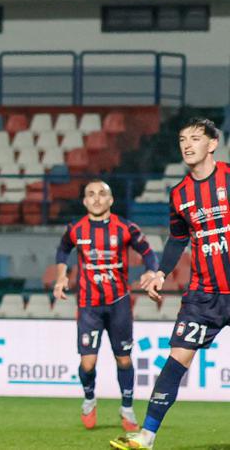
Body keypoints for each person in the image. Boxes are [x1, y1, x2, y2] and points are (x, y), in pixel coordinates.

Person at [112, 117, 230, 450]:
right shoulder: (179, 194)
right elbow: (178, 239)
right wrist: (161, 272)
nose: (187, 144)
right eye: (182, 139)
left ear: (212, 144)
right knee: (178, 358)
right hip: (204, 296)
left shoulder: (228, 177)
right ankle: (146, 436)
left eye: (195, 138)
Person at [52, 179, 157, 431]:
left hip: (119, 303)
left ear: (111, 200)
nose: (96, 198)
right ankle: (89, 400)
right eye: (91, 194)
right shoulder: (76, 229)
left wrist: (151, 271)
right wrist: (61, 276)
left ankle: (127, 408)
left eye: (102, 194)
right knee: (88, 363)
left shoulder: (125, 228)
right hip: (89, 306)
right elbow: (62, 250)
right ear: (84, 201)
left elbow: (148, 252)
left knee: (123, 359)